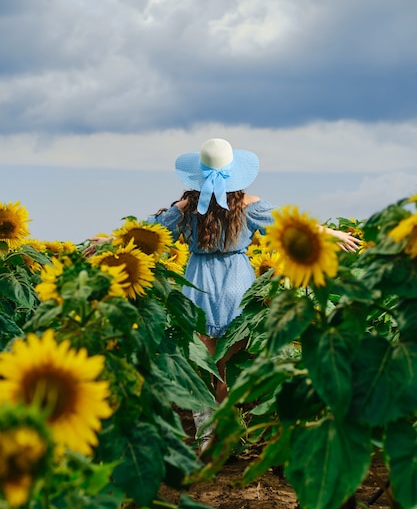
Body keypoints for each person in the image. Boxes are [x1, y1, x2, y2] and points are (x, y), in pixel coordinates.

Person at [145, 138, 360, 450]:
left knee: (203, 362)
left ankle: (208, 434)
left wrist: (110, 241)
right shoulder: (249, 205)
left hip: (200, 281)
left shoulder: (184, 209)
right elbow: (291, 225)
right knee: (231, 363)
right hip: (237, 281)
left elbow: (147, 232)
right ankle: (233, 432)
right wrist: (331, 233)